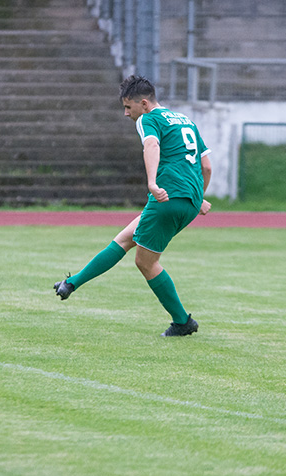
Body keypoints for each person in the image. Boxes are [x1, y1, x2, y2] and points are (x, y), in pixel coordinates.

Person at [54, 75, 212, 337]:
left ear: (145, 103)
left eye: (129, 107)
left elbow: (151, 145)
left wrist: (152, 182)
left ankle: (182, 322)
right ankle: (71, 284)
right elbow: (205, 166)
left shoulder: (148, 119)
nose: (127, 114)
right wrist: (198, 197)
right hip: (188, 200)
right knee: (125, 239)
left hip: (166, 197)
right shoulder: (186, 120)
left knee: (145, 262)